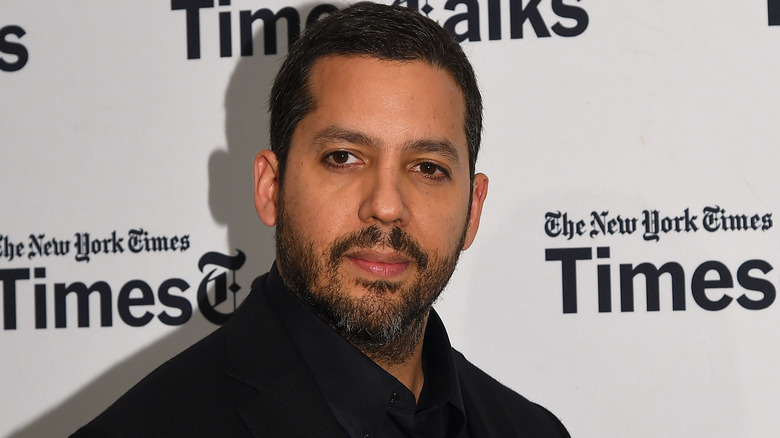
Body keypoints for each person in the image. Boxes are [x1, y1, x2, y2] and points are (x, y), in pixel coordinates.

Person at [71, 2, 570, 437]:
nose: (387, 205)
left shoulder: (530, 429)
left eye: (427, 168)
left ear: (473, 210)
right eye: (344, 158)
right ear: (271, 187)